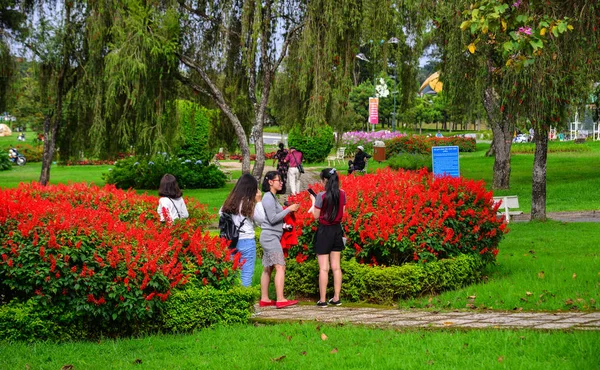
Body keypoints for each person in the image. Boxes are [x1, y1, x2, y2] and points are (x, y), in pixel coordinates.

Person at [259, 171, 300, 308]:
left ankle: (265, 298)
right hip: (270, 237)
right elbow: (272, 219)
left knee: (268, 268)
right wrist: (288, 209)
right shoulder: (268, 198)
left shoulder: (272, 197)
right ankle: (280, 299)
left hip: (270, 236)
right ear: (270, 182)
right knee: (280, 266)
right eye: (278, 180)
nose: (281, 183)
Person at [309, 168, 346, 307]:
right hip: (337, 230)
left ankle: (323, 300)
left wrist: (313, 202)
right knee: (336, 267)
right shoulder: (342, 194)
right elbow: (343, 212)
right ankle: (336, 298)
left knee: (324, 268)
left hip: (324, 231)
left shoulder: (321, 196)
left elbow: (316, 216)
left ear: (325, 180)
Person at [220, 173, 265, 287]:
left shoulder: (229, 202)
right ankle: (245, 298)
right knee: (246, 273)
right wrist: (259, 201)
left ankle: (233, 298)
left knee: (231, 273)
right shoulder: (248, 204)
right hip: (246, 241)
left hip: (230, 241)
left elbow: (221, 214)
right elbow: (262, 219)